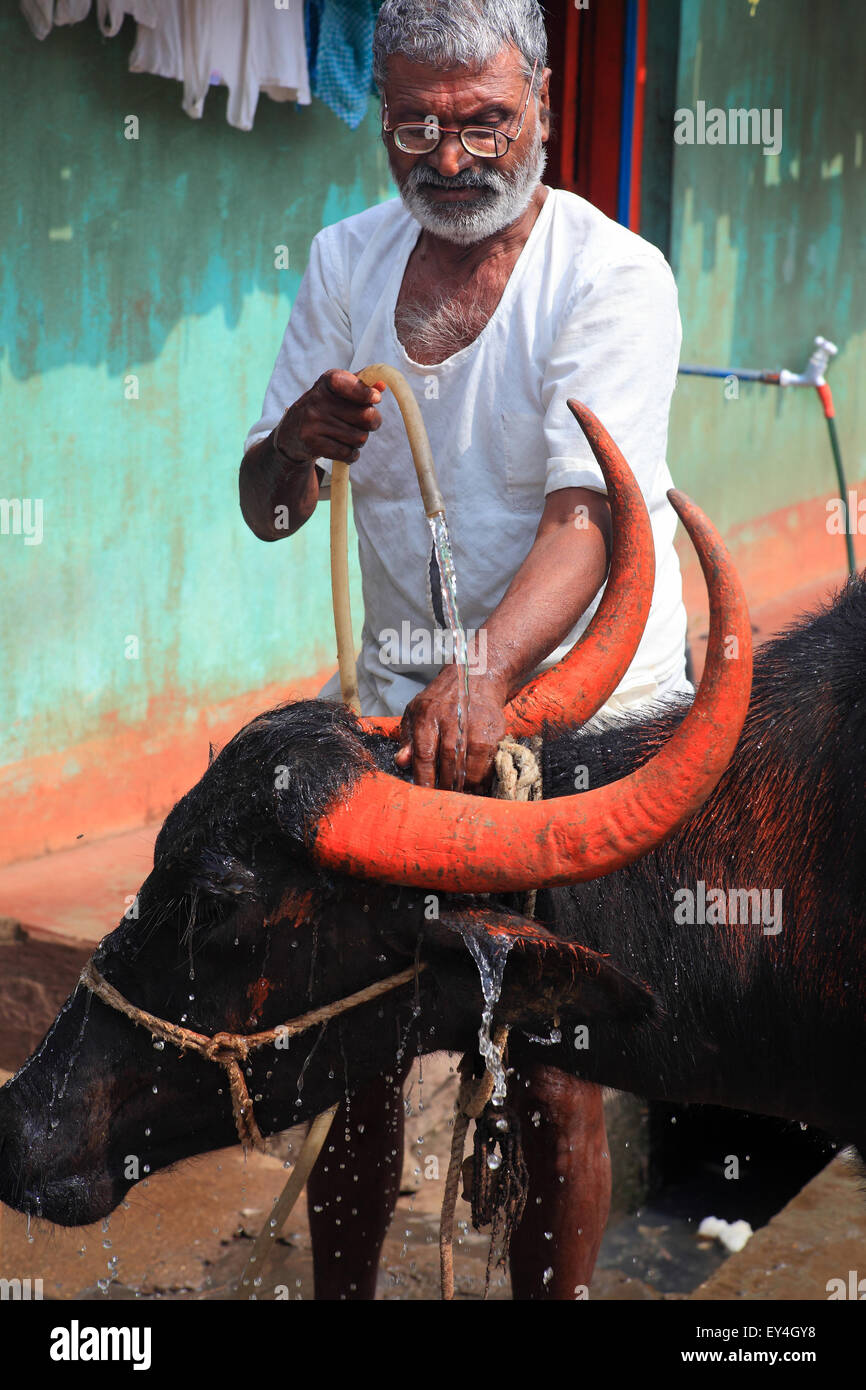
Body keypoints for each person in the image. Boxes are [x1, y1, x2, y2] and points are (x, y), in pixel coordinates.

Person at [239, 0, 688, 1300]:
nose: (448, 155)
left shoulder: (612, 278)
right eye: (415, 125)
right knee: (359, 1052)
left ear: (542, 101)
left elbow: (586, 518)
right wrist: (291, 449)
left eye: (483, 119)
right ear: (382, 116)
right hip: (401, 728)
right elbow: (271, 512)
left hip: (580, 724)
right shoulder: (344, 264)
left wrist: (488, 671)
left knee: (552, 1076)